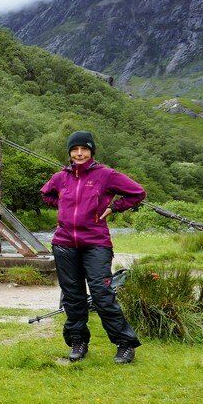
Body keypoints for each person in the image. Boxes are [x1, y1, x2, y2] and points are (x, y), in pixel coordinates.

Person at [39, 131, 146, 364]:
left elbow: (137, 193)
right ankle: (78, 342)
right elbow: (46, 194)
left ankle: (125, 344)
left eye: (84, 149)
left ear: (91, 152)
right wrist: (64, 207)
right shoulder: (61, 177)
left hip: (96, 243)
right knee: (72, 296)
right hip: (65, 244)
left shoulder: (105, 175)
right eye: (75, 150)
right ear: (69, 152)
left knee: (102, 294)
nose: (79, 153)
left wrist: (114, 207)